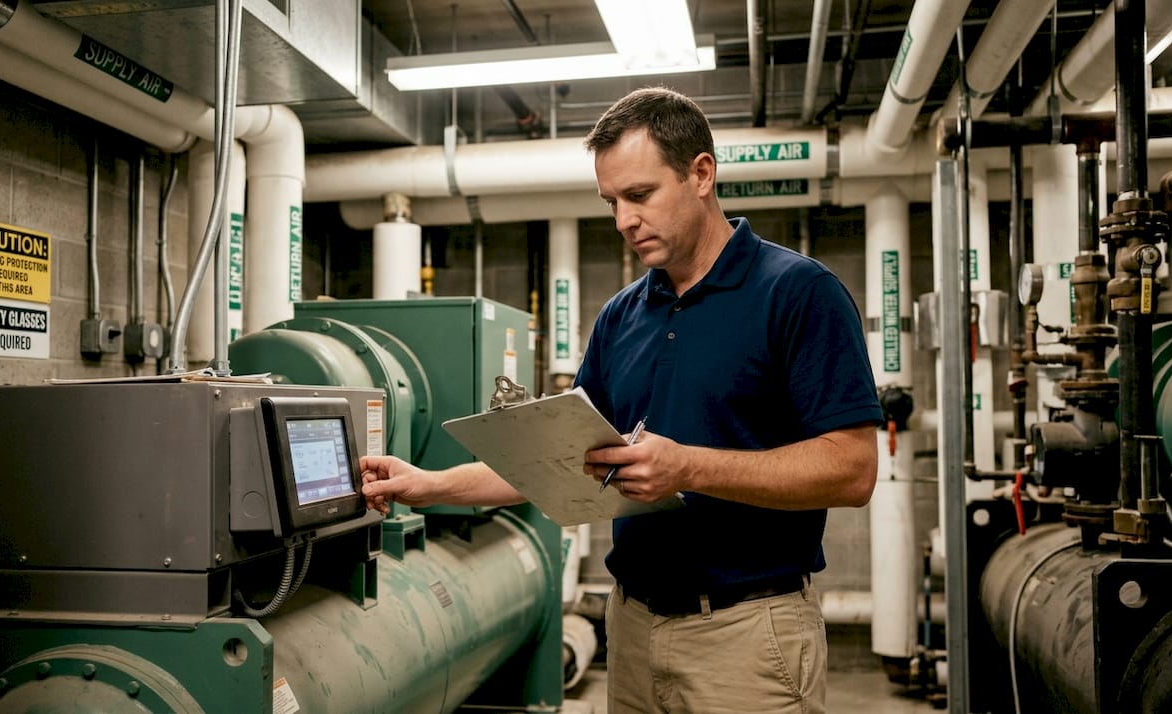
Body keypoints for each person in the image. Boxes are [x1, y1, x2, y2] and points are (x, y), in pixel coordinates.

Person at [360, 86, 882, 714]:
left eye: (639, 196)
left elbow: (853, 469)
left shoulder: (798, 294)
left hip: (748, 637)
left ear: (701, 174)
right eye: (611, 201)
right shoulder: (621, 316)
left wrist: (689, 467)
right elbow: (557, 460)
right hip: (631, 629)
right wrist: (428, 483)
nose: (623, 221)